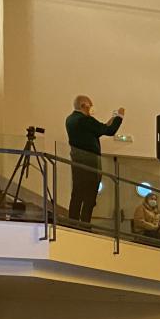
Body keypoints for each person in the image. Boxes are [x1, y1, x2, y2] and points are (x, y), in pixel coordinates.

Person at [65, 95, 124, 226]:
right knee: (89, 196)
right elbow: (109, 130)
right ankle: (85, 224)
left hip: (77, 161)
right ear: (83, 106)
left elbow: (101, 128)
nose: (92, 108)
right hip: (90, 162)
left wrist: (111, 120)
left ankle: (72, 222)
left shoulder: (70, 120)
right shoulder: (85, 120)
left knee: (77, 193)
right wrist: (120, 117)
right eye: (90, 105)